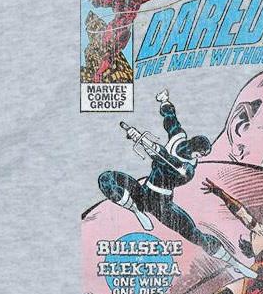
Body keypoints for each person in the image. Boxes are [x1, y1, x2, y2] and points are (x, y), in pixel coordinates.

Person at [98, 91, 252, 275]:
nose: (198, 158)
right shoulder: (178, 138)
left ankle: (235, 264)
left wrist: (152, 147)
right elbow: (172, 122)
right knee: (106, 179)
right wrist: (165, 102)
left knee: (194, 234)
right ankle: (136, 210)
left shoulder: (187, 170)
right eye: (200, 155)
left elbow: (166, 161)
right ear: (194, 149)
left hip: (162, 206)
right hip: (144, 193)